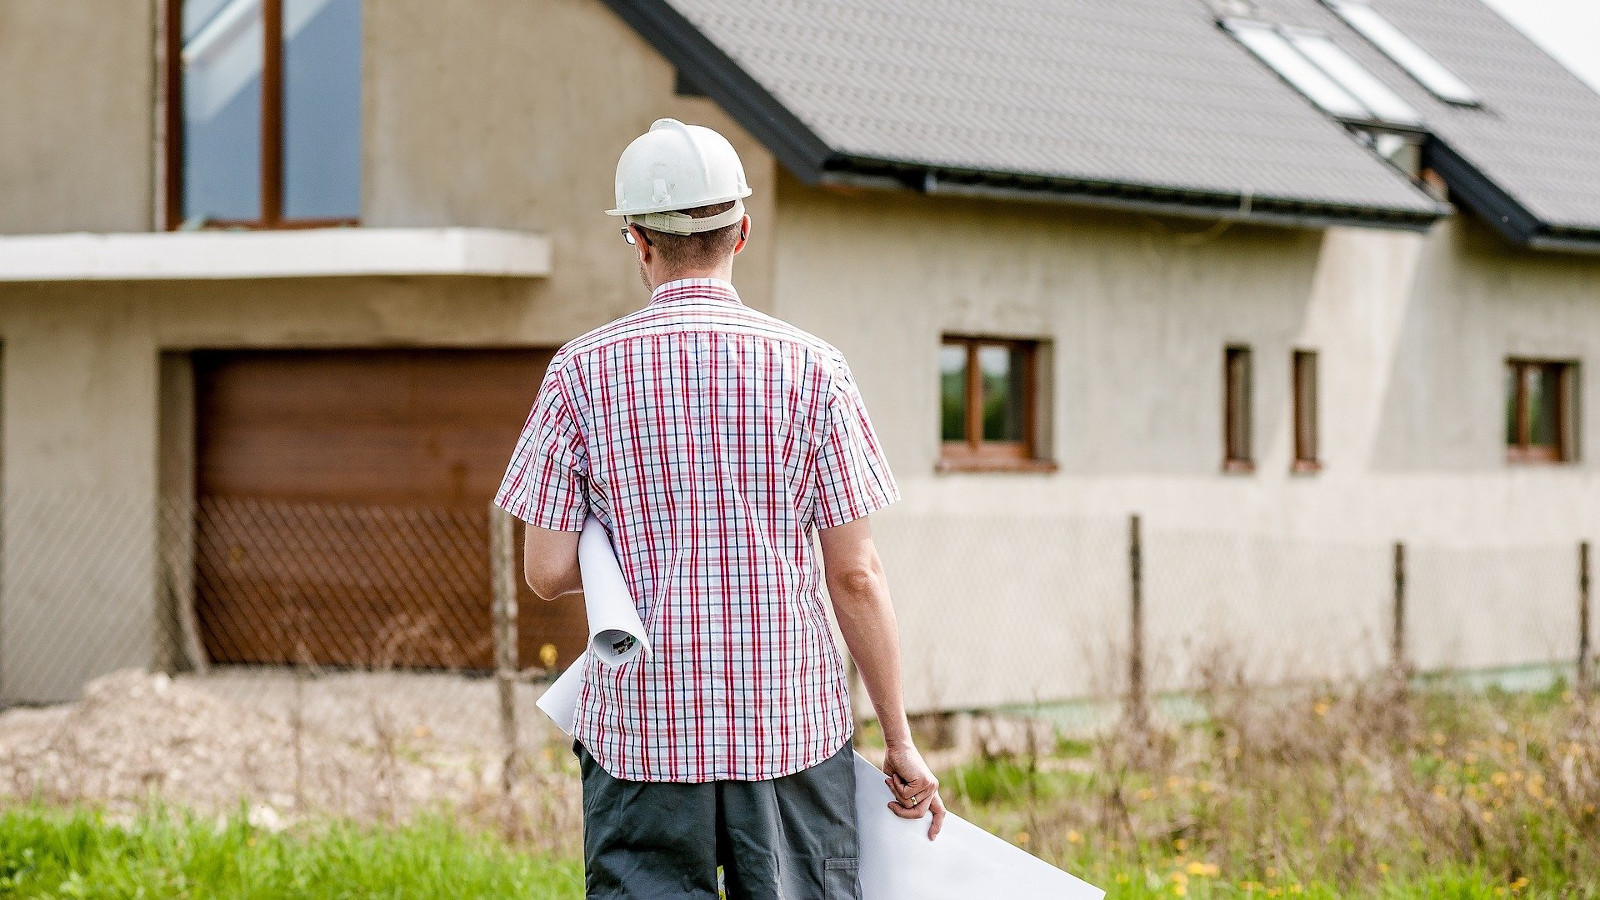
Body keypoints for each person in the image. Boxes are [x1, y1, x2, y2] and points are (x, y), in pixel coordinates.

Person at [495, 118, 943, 900]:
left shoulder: (579, 373)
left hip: (642, 738)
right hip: (789, 731)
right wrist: (899, 739)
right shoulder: (815, 370)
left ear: (638, 241)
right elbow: (856, 575)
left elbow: (546, 569)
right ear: (741, 231)